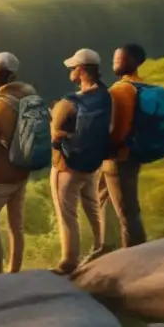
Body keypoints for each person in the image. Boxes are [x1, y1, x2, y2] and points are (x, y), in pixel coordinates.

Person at [0, 52, 40, 274]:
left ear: (1, 75)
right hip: (22, 174)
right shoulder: (31, 98)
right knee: (16, 225)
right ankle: (15, 271)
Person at [50, 49, 112, 275]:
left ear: (83, 71)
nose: (71, 71)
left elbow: (55, 133)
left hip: (67, 165)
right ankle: (100, 246)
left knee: (67, 214)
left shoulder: (70, 101)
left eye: (74, 68)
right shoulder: (107, 96)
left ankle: (68, 262)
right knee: (93, 207)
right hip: (93, 163)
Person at [100, 43, 149, 250]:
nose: (114, 62)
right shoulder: (141, 85)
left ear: (131, 61)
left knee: (126, 209)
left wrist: (108, 148)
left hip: (119, 157)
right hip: (133, 153)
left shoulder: (121, 90)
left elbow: (118, 126)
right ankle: (106, 245)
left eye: (118, 59)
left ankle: (134, 253)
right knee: (104, 198)